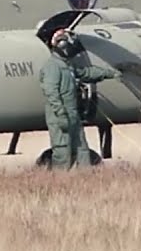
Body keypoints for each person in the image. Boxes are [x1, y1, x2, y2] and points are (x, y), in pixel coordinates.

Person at [39, 28, 122, 169]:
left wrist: (110, 73)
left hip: (72, 114)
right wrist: (60, 114)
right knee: (62, 151)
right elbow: (51, 92)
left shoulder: (68, 65)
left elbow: (86, 73)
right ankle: (60, 181)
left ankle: (84, 179)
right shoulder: (52, 67)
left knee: (81, 149)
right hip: (60, 115)